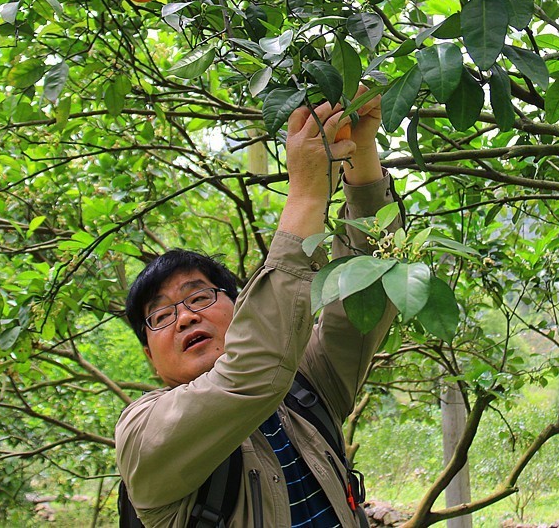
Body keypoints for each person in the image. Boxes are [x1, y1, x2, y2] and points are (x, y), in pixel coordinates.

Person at [115, 88, 401, 527]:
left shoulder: (304, 389)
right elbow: (253, 372)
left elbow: (369, 291)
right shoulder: (143, 435)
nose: (186, 316)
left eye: (199, 297)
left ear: (241, 307)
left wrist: (360, 148)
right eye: (160, 317)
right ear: (151, 359)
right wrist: (306, 195)